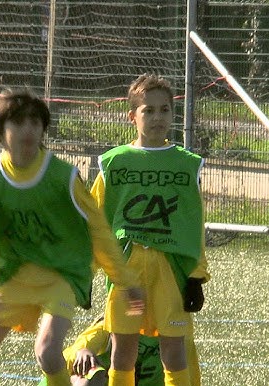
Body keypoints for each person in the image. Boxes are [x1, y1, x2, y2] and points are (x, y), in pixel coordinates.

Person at [0, 89, 144, 386]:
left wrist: (125, 281)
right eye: (19, 122)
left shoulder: (63, 177)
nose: (29, 130)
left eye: (36, 123)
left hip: (59, 277)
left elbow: (98, 231)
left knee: (47, 351)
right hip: (13, 278)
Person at [90, 74, 210, 386]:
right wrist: (84, 270)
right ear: (132, 116)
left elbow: (194, 221)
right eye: (148, 111)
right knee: (122, 352)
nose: (157, 118)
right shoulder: (114, 163)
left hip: (169, 270)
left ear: (173, 113)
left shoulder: (186, 164)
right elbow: (95, 219)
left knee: (173, 351)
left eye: (164, 110)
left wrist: (197, 274)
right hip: (127, 270)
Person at [36, 316, 202, 386]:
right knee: (91, 380)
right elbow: (70, 356)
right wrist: (82, 352)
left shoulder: (178, 336)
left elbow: (191, 380)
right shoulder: (111, 325)